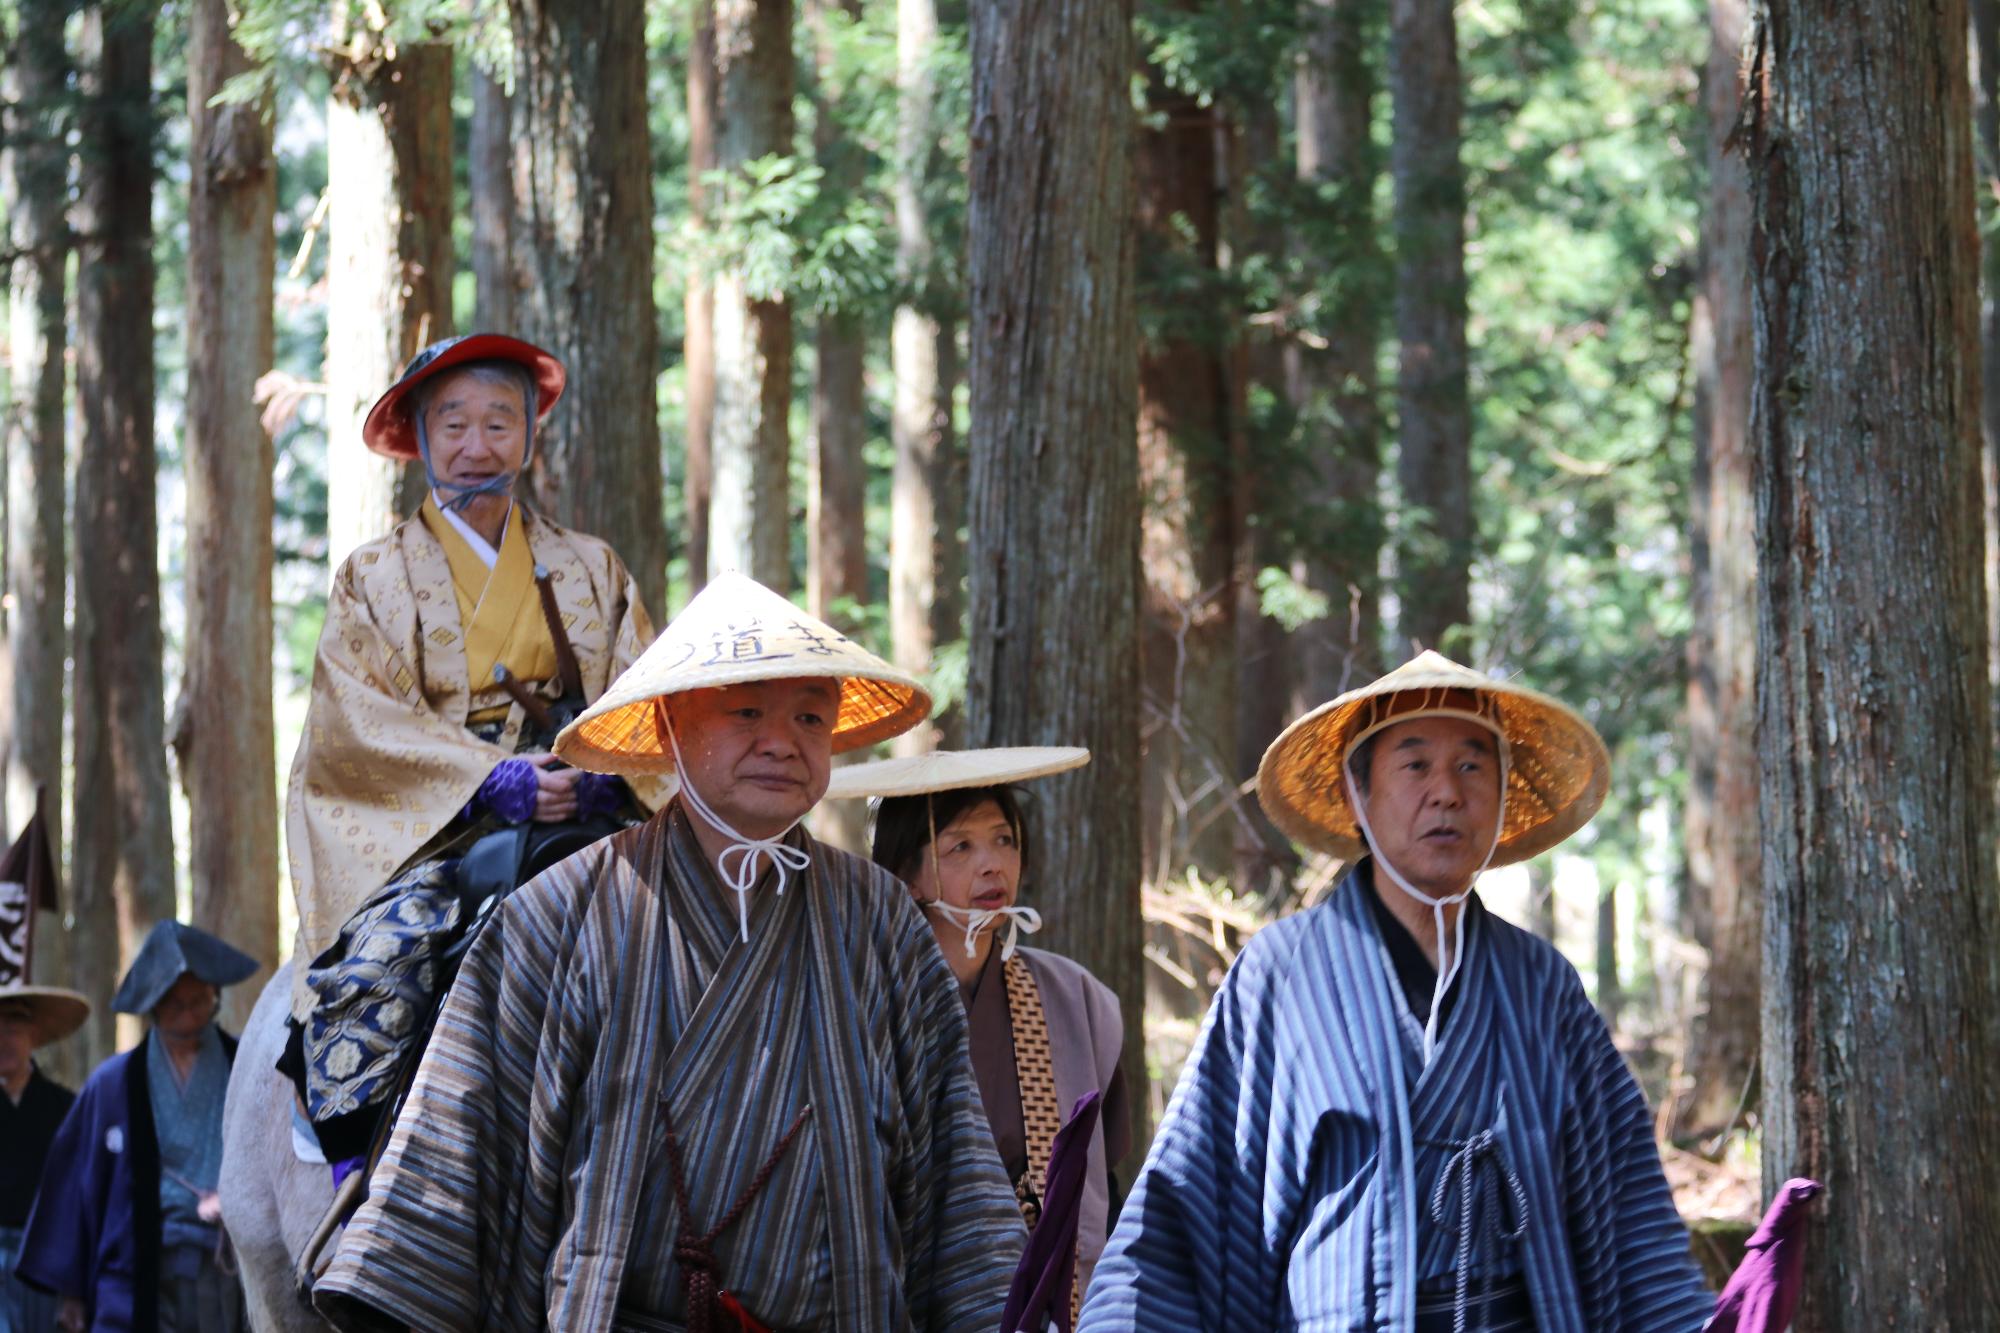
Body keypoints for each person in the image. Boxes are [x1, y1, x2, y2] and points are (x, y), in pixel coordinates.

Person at [310, 572, 1026, 1332]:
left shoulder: (882, 921)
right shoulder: (558, 915)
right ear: (672, 722)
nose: (782, 741)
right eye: (747, 711)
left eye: (811, 717)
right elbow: (450, 1169)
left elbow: (954, 1177)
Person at [1079, 652, 1715, 1332]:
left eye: (1472, 765)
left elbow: (1631, 1214)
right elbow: (1185, 1208)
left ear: (1501, 795)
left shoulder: (1542, 983)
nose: (1446, 792)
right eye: (1415, 765)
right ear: (1358, 792)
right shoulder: (1280, 974)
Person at [281, 333, 670, 1170]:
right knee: (384, 964)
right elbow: (357, 724)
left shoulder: (591, 567)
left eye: (499, 421)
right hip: (437, 831)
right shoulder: (373, 577)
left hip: (594, 805)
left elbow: (647, 690)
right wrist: (490, 779)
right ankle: (362, 1187)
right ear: (420, 439)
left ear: (529, 436)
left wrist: (605, 774)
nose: (475, 444)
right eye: (453, 423)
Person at [827, 746, 1129, 1305]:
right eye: (961, 846)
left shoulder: (1074, 998)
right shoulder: (859, 995)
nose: (993, 864)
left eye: (1004, 840)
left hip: (1041, 1295)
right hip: (903, 1286)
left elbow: (1100, 1187)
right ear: (905, 876)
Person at [17, 922, 257, 1333]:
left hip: (224, 1266)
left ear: (214, 996)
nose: (187, 1012)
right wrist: (73, 1291)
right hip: (133, 1271)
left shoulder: (246, 1066)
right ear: (153, 1003)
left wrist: (235, 1197)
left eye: (197, 1000)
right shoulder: (113, 1082)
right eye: (175, 1002)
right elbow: (76, 1183)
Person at [0, 982, 87, 1333]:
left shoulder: (65, 1107)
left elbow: (79, 1198)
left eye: (14, 1031)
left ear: (33, 1036)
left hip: (44, 1256)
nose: (5, 1041)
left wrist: (74, 1287)